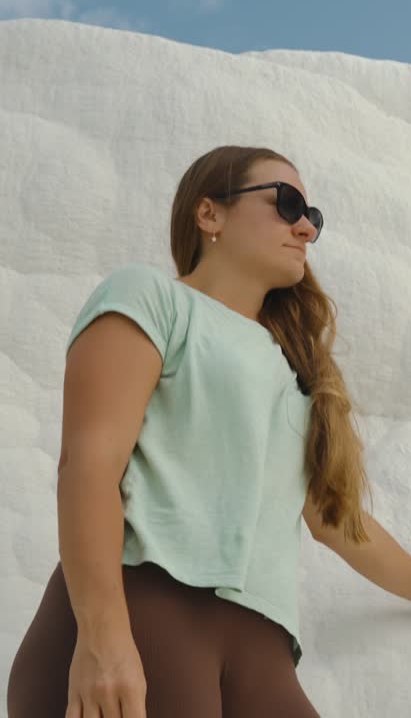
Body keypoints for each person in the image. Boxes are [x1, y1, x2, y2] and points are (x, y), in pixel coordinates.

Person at [7, 145, 374, 717]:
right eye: (288, 203)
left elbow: (339, 523)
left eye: (314, 217)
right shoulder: (153, 299)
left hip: (261, 649)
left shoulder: (296, 377)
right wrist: (104, 641)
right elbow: (89, 464)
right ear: (210, 215)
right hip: (142, 613)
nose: (305, 227)